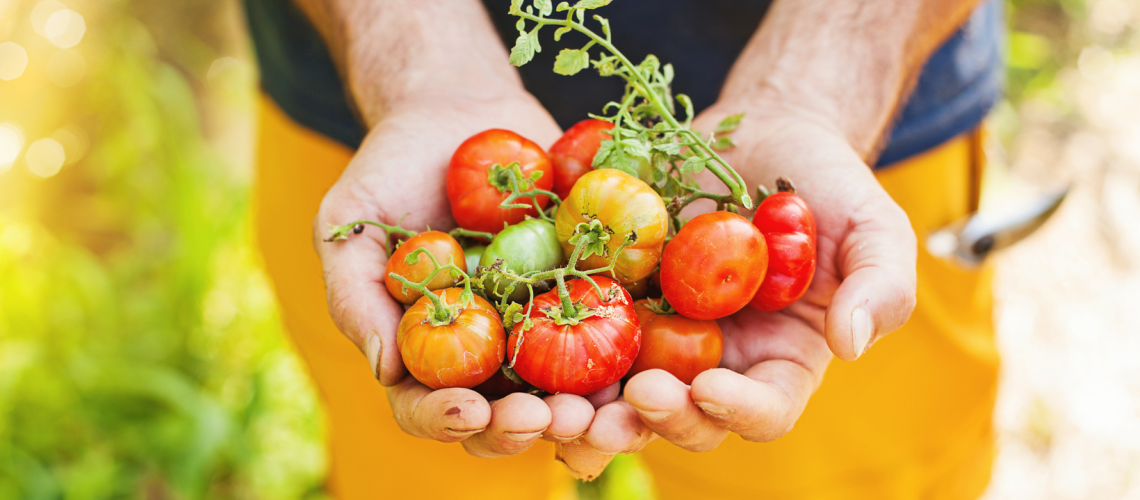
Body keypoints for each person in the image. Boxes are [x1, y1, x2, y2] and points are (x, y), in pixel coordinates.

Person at [246, 0, 1003, 498]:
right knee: (416, 473)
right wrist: (417, 63)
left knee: (858, 481)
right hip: (382, 116)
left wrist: (815, 89)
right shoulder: (435, 254)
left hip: (850, 118)